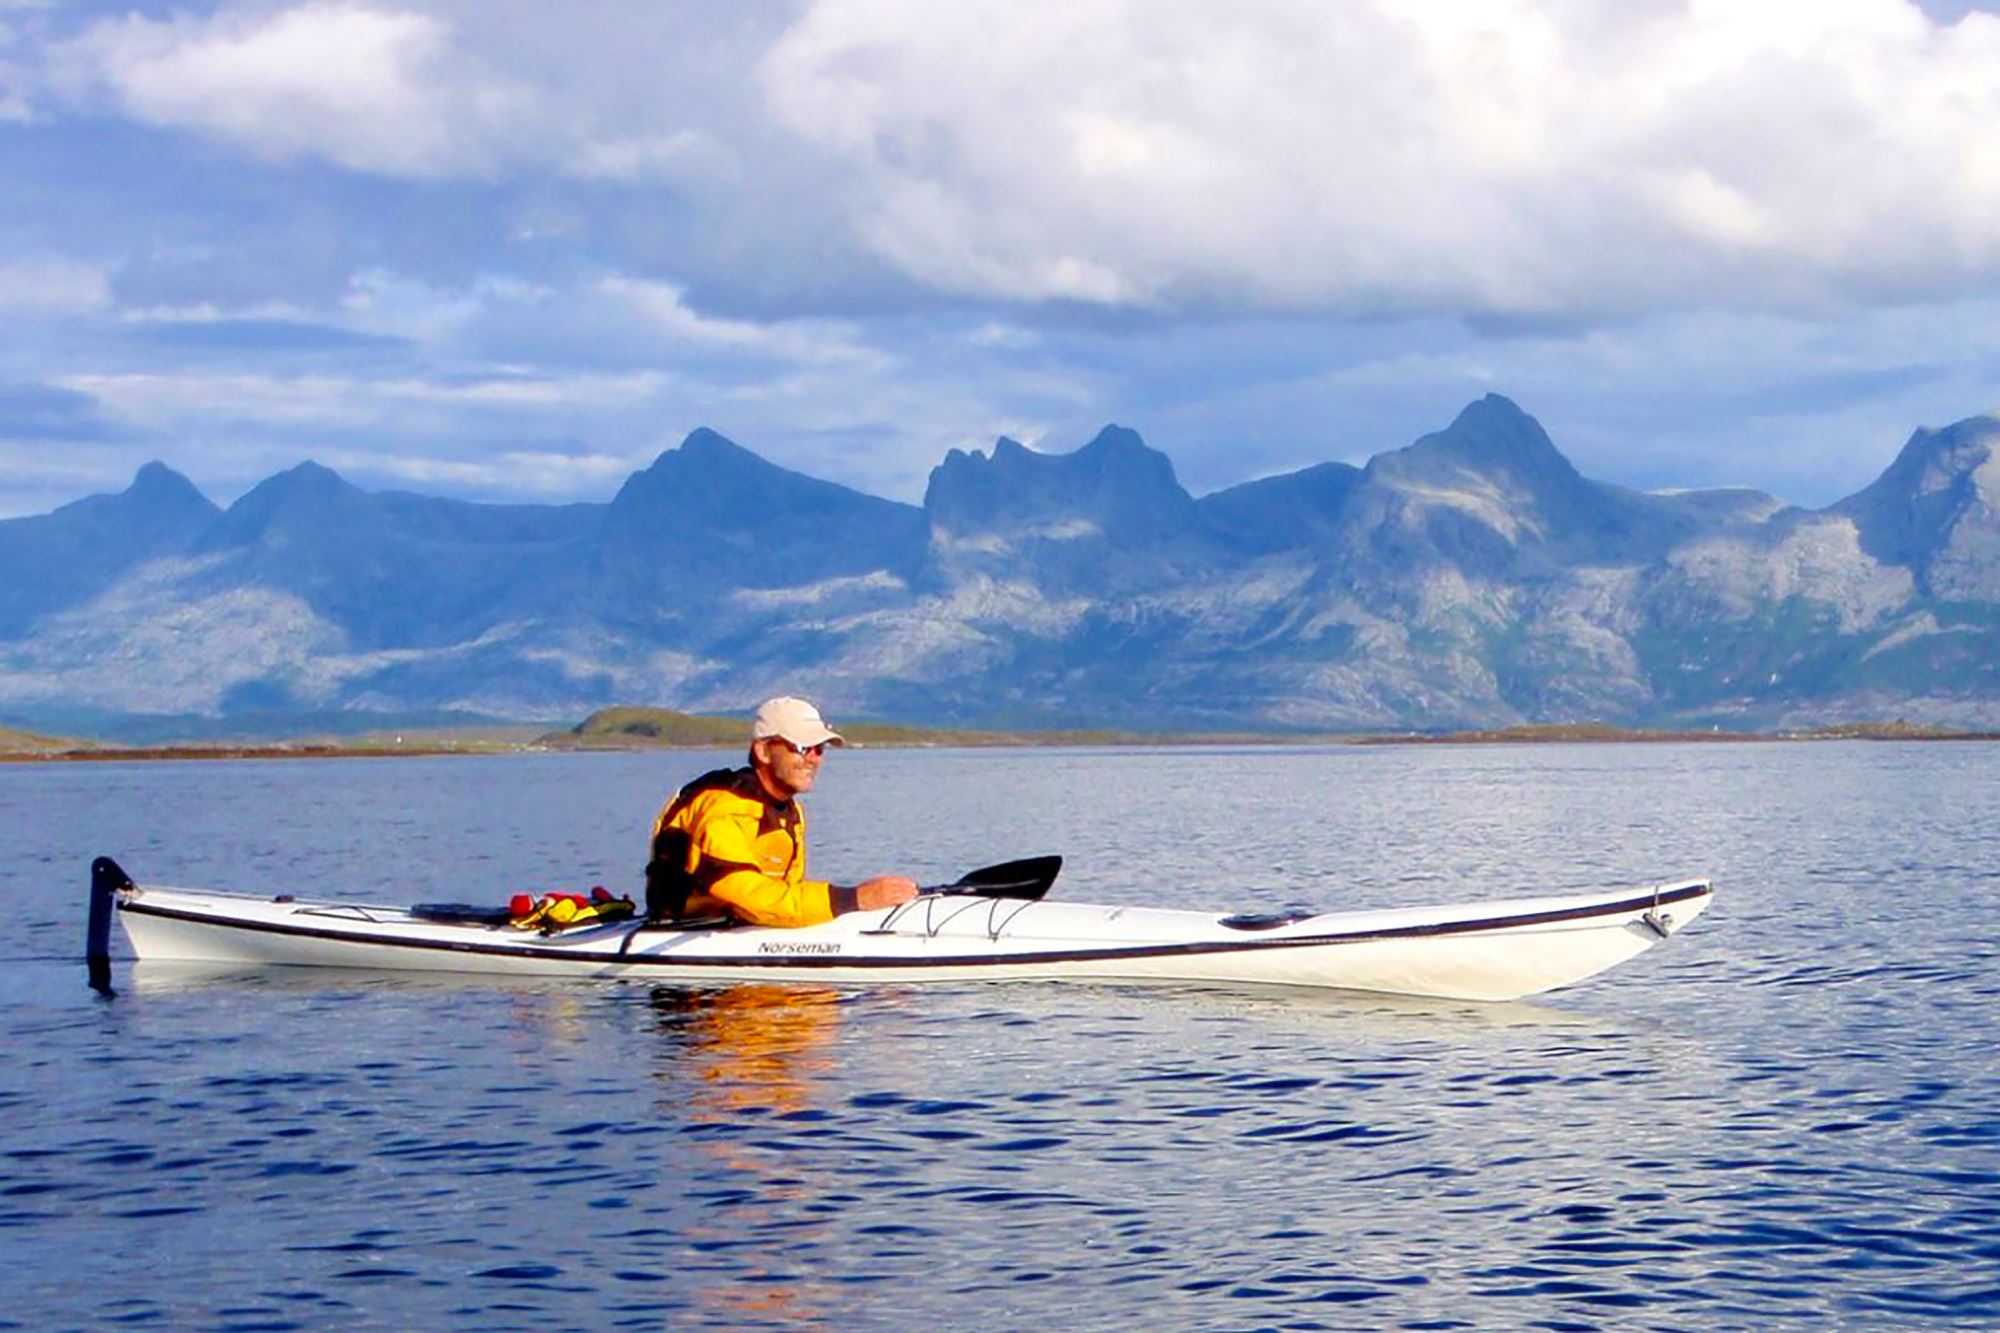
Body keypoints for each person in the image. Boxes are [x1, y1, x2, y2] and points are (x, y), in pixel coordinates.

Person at [645, 696, 919, 927]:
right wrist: (855, 899)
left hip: (739, 924)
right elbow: (744, 893)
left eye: (819, 749)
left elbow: (783, 893)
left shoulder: (790, 811)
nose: (813, 759)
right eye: (802, 748)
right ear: (763, 751)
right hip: (687, 931)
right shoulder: (726, 807)